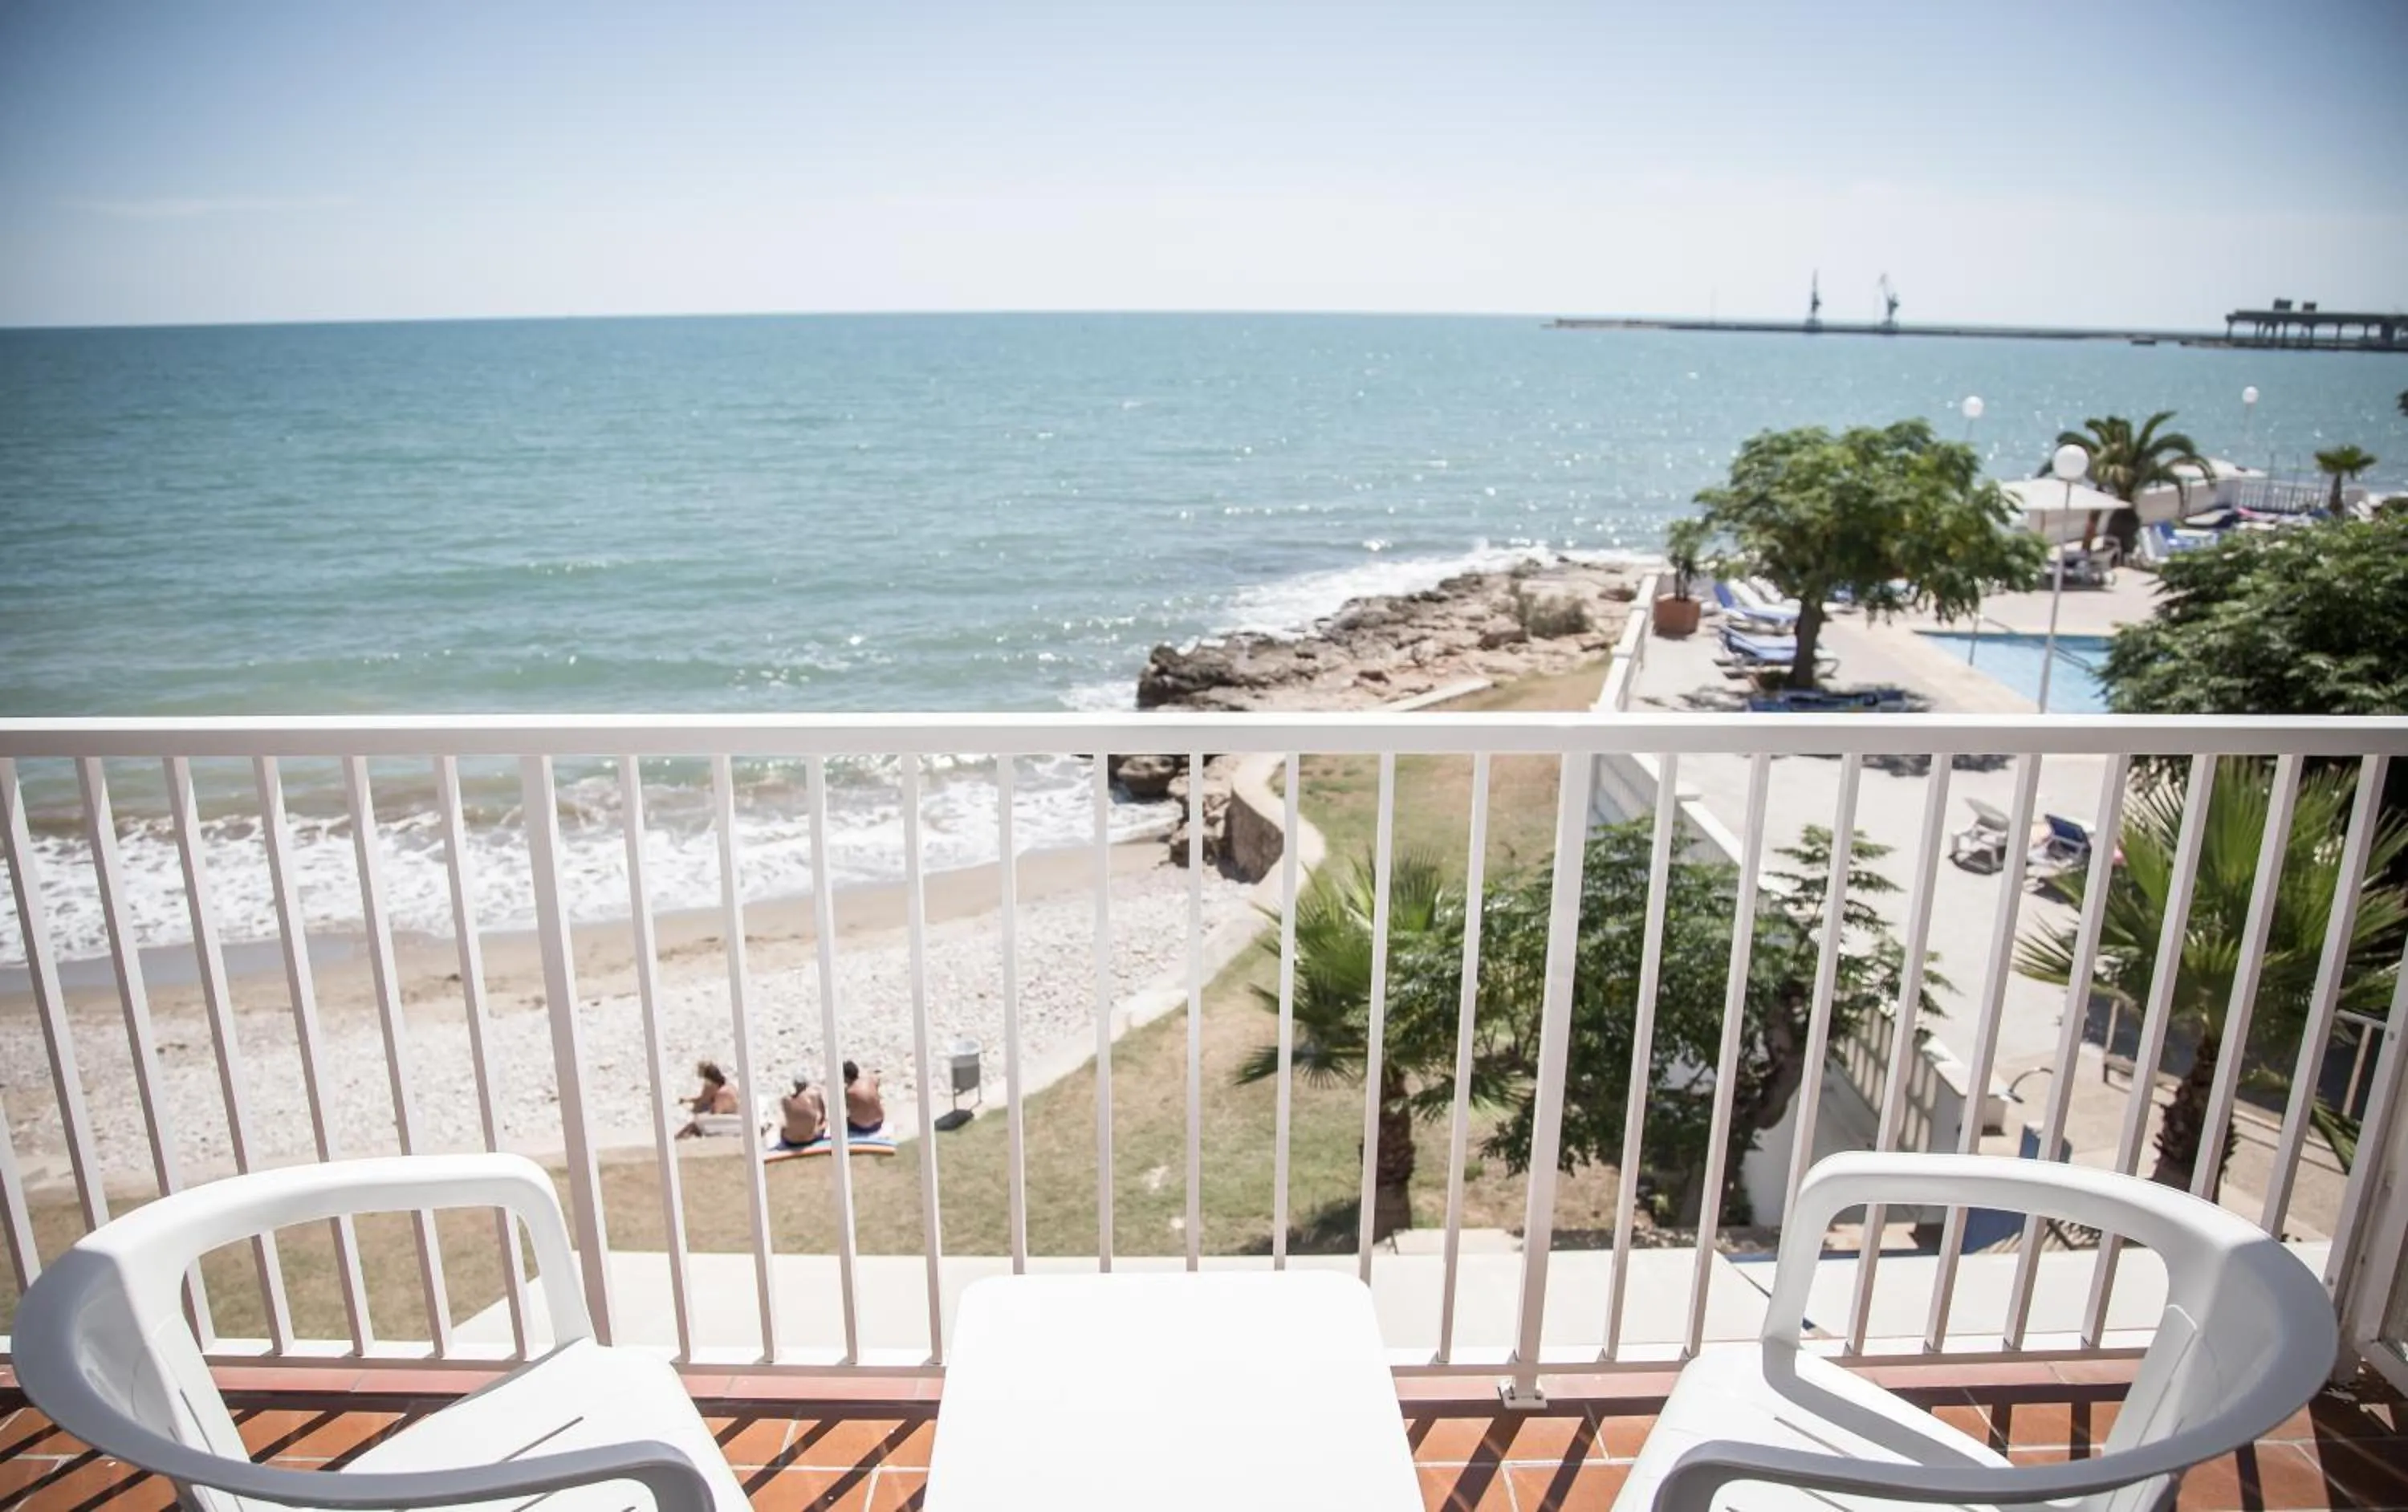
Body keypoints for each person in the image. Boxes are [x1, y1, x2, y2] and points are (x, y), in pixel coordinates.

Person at [674, 1059, 738, 1140]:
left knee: (693, 1127)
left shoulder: (722, 1094)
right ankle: (676, 1139)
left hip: (726, 1122)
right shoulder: (727, 1087)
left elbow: (716, 1114)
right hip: (728, 1118)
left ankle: (676, 1140)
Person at [779, 1072, 828, 1151]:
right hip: (811, 1139)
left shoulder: (785, 1100)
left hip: (791, 1142)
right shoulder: (815, 1095)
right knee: (824, 1123)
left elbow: (787, 1117)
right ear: (806, 1085)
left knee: (784, 1127)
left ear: (794, 1086)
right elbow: (823, 1116)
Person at [842, 1059, 885, 1138]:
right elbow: (877, 1079)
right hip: (879, 1122)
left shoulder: (849, 1092)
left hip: (860, 1128)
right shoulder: (871, 1079)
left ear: (846, 1078)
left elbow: (848, 1109)